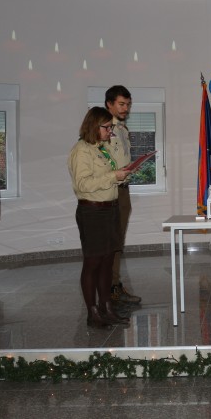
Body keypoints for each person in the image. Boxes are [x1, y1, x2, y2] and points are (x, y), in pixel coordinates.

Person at [68, 106, 131, 327]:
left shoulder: (101, 148)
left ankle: (107, 308)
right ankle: (92, 312)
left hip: (110, 209)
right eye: (107, 128)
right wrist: (114, 176)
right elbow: (83, 184)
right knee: (93, 262)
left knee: (107, 262)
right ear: (94, 126)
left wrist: (122, 176)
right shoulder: (81, 151)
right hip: (93, 212)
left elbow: (107, 176)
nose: (110, 132)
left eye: (111, 128)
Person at [105, 85, 142, 305]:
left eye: (128, 104)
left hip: (123, 189)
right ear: (109, 104)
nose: (125, 108)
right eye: (121, 104)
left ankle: (114, 285)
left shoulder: (122, 129)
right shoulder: (103, 129)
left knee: (118, 241)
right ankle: (109, 289)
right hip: (110, 191)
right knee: (110, 242)